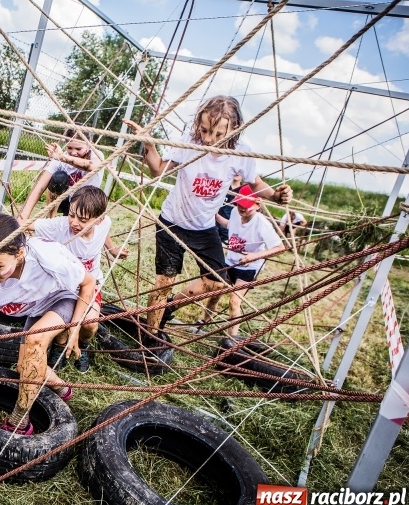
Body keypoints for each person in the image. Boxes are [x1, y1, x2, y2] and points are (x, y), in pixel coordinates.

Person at [122, 95, 293, 332]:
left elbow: (254, 184)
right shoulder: (189, 143)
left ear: (234, 129)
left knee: (216, 283)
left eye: (218, 134)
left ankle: (168, 308)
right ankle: (150, 336)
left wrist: (275, 196)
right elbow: (158, 170)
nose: (209, 140)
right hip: (172, 222)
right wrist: (149, 146)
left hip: (204, 228)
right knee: (164, 283)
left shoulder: (242, 153)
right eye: (204, 131)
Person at [0, 213, 97, 436]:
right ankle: (62, 388)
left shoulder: (47, 257)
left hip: (66, 297)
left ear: (19, 253)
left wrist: (74, 327)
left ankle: (19, 422)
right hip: (39, 306)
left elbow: (88, 283)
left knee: (35, 339)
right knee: (25, 369)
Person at [29, 185, 129, 372]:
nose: (74, 223)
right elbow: (26, 224)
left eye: (82, 220)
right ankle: (60, 347)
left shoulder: (104, 223)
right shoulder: (59, 226)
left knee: (90, 324)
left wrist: (113, 249)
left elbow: (104, 231)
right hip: (63, 287)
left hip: (90, 284)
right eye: (72, 214)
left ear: (98, 220)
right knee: (61, 323)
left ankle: (83, 347)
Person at [202, 185, 285, 335]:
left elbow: (280, 247)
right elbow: (229, 225)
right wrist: (216, 216)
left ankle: (231, 340)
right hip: (230, 261)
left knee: (234, 301)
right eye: (240, 205)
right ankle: (204, 322)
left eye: (247, 207)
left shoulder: (262, 224)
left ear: (258, 205)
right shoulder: (235, 212)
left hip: (249, 267)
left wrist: (254, 256)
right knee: (215, 292)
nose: (243, 210)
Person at [18, 129, 105, 222]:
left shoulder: (96, 155)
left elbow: (92, 166)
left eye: (78, 149)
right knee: (59, 177)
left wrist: (63, 158)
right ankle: (50, 219)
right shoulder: (60, 157)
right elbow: (40, 186)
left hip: (89, 202)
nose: (73, 152)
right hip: (67, 201)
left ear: (90, 144)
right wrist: (23, 217)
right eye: (69, 148)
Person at [215, 174, 244, 244]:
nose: (237, 173)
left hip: (230, 228)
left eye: (240, 171)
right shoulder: (221, 186)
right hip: (214, 225)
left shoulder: (244, 190)